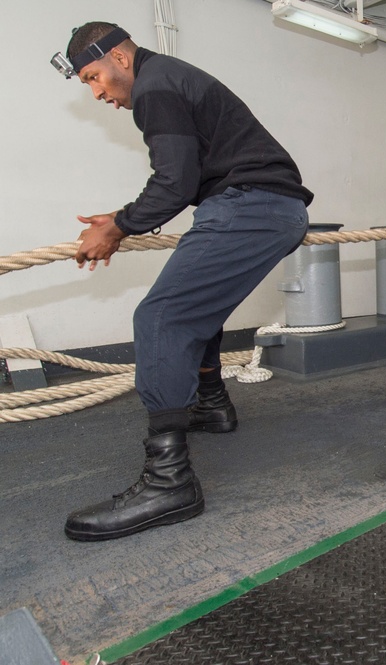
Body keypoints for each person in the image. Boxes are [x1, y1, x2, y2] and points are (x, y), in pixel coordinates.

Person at [55, 23, 313, 541]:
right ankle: (211, 404)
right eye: (87, 85)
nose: (98, 92)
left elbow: (174, 181)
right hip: (266, 205)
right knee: (198, 309)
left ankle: (169, 482)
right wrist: (124, 217)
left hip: (250, 205)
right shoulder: (168, 78)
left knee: (160, 317)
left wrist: (121, 225)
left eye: (94, 77)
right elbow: (187, 178)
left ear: (121, 59)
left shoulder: (155, 87)